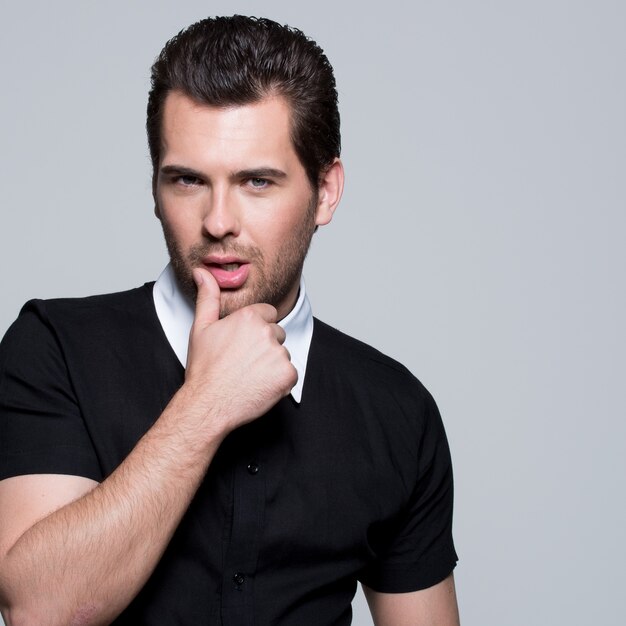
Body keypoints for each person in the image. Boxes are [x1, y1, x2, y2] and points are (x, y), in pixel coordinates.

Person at [0, 15, 459, 626]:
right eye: (188, 180)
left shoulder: (395, 409)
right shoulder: (55, 349)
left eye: (256, 182)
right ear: (156, 188)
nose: (218, 221)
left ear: (325, 192)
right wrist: (207, 402)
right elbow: (40, 611)